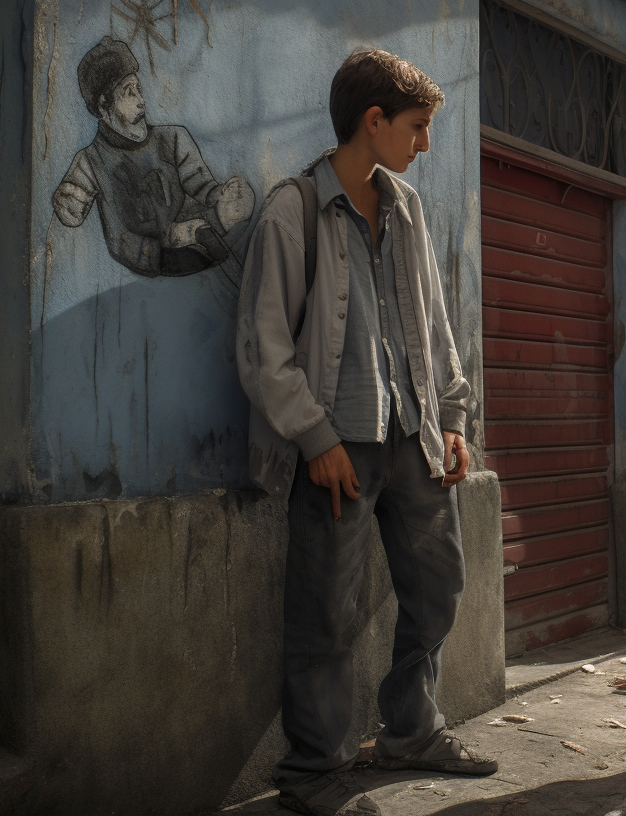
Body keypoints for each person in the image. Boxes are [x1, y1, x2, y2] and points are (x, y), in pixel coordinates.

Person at [236, 50, 493, 816]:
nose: (423, 144)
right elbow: (262, 346)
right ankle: (316, 772)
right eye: (416, 129)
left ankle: (411, 730)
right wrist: (313, 438)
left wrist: (452, 416)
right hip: (336, 449)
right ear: (372, 121)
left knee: (440, 587)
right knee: (325, 612)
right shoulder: (293, 211)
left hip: (413, 437)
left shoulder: (407, 208)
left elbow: (435, 324)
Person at [53, 36, 254, 278]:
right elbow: (72, 203)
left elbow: (203, 187)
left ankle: (196, 231)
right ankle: (189, 233)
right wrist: (68, 204)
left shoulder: (173, 138)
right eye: (129, 93)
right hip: (145, 254)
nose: (141, 102)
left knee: (234, 206)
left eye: (139, 89)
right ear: (103, 106)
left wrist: (223, 195)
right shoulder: (91, 161)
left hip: (194, 237)